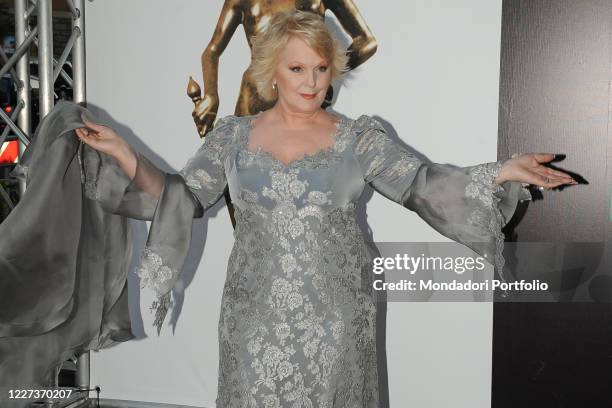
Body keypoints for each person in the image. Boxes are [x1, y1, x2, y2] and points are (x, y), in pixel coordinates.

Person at [75, 10, 575, 408]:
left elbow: (421, 183)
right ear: (270, 71)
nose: (311, 82)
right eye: (297, 68)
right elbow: (179, 197)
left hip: (337, 317)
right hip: (252, 318)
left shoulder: (358, 138)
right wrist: (124, 154)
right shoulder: (231, 137)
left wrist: (500, 171)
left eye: (320, 68)